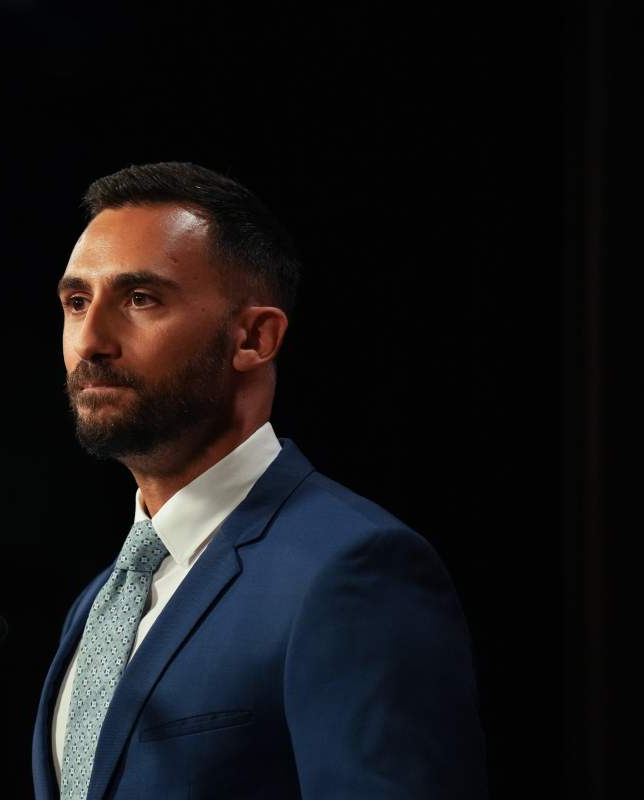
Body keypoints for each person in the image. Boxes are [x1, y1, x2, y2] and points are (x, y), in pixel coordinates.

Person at [31, 162, 488, 799]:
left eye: (140, 299)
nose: (91, 340)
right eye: (77, 302)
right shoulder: (101, 601)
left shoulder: (353, 570)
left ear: (254, 337)